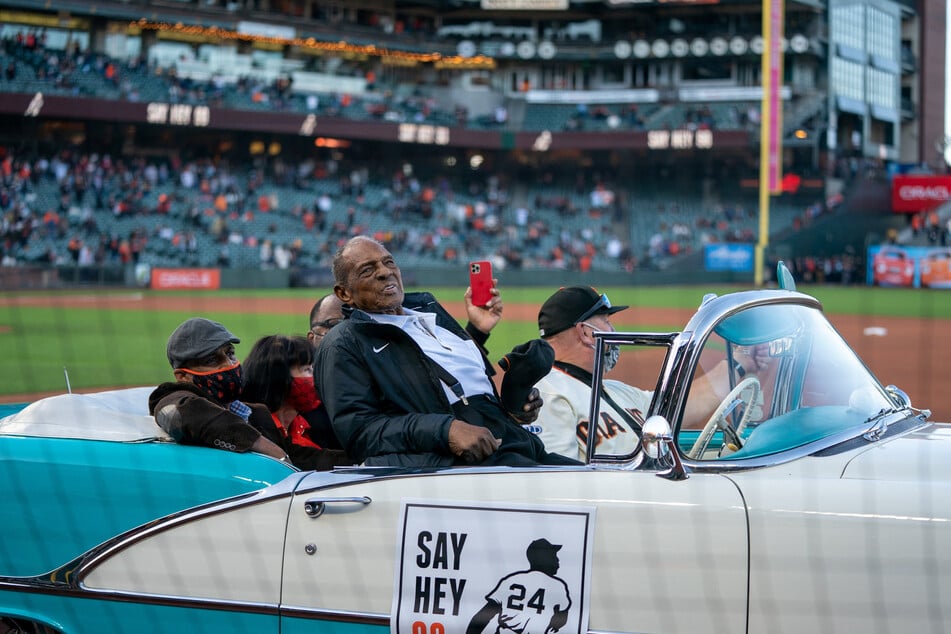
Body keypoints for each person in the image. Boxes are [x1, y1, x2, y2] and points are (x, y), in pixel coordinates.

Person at [315, 236, 578, 468]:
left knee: (600, 481)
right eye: (367, 270)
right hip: (459, 465)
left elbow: (453, 386)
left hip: (516, 445)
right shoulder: (344, 341)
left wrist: (513, 407)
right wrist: (446, 430)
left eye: (389, 262)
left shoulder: (431, 314)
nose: (385, 273)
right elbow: (361, 434)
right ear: (344, 293)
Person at [531, 286, 768, 462]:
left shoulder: (613, 390)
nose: (613, 331)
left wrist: (740, 362)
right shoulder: (547, 396)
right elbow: (561, 481)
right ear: (585, 332)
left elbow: (676, 409)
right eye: (605, 321)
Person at [148, 317, 291, 464]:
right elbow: (184, 414)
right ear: (183, 376)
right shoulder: (173, 401)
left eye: (230, 354)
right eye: (212, 361)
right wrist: (272, 451)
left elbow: (296, 456)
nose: (228, 365)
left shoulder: (258, 413)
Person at [240, 334, 353, 470]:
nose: (316, 377)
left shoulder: (304, 424)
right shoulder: (254, 425)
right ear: (279, 378)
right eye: (307, 370)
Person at [466, 538, 571, 634]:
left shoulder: (511, 580)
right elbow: (562, 617)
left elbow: (481, 617)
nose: (557, 560)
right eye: (553, 556)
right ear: (544, 559)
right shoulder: (557, 586)